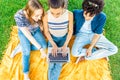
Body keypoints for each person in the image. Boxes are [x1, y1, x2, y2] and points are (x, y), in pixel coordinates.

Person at [14, 0, 47, 79]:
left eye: (40, 15)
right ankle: (26, 75)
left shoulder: (38, 16)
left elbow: (41, 21)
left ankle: (22, 48)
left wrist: (41, 25)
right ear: (28, 11)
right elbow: (29, 36)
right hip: (25, 33)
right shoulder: (19, 16)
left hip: (35, 30)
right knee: (26, 52)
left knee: (44, 45)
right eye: (37, 16)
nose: (39, 18)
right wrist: (40, 48)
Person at [43, 0, 73, 80]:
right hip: (52, 39)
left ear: (63, 7)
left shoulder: (69, 15)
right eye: (52, 13)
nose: (55, 16)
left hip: (64, 39)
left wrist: (65, 44)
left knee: (59, 63)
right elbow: (46, 31)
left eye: (58, 13)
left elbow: (70, 31)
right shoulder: (46, 16)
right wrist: (53, 44)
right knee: (51, 62)